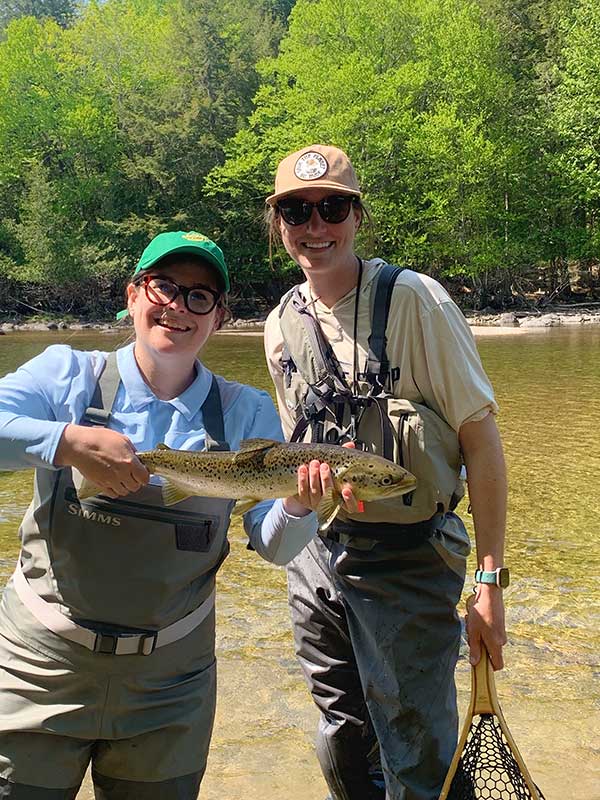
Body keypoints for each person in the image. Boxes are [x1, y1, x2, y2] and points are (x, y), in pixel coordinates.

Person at [0, 230, 353, 799]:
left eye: (200, 297)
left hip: (172, 683)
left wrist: (297, 505)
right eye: (165, 286)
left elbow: (270, 543)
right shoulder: (65, 374)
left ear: (218, 318)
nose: (178, 306)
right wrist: (64, 442)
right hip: (39, 665)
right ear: (134, 294)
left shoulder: (245, 410)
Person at [263, 145, 508, 800]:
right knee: (342, 738)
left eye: (332, 208)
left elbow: (482, 444)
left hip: (410, 557)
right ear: (277, 222)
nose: (315, 227)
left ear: (357, 215)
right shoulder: (279, 326)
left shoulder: (416, 303)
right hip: (318, 560)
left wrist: (489, 583)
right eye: (295, 211)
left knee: (416, 751)